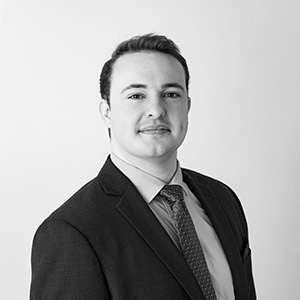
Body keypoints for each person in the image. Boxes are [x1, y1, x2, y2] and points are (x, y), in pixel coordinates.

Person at [30, 33, 256, 300]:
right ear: (107, 112)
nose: (156, 110)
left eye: (171, 94)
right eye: (137, 95)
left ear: (187, 106)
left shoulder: (223, 199)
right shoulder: (71, 232)